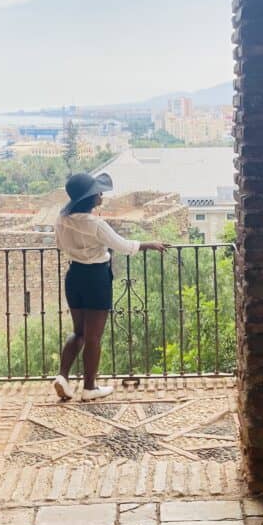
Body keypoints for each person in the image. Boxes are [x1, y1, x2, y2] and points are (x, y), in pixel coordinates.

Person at [52, 171, 168, 402]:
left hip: (74, 275)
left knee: (79, 332)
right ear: (89, 198)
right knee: (93, 337)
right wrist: (150, 244)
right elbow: (123, 245)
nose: (101, 195)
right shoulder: (95, 224)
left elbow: (59, 244)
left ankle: (63, 377)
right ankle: (89, 387)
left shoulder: (61, 219)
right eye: (98, 192)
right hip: (96, 277)